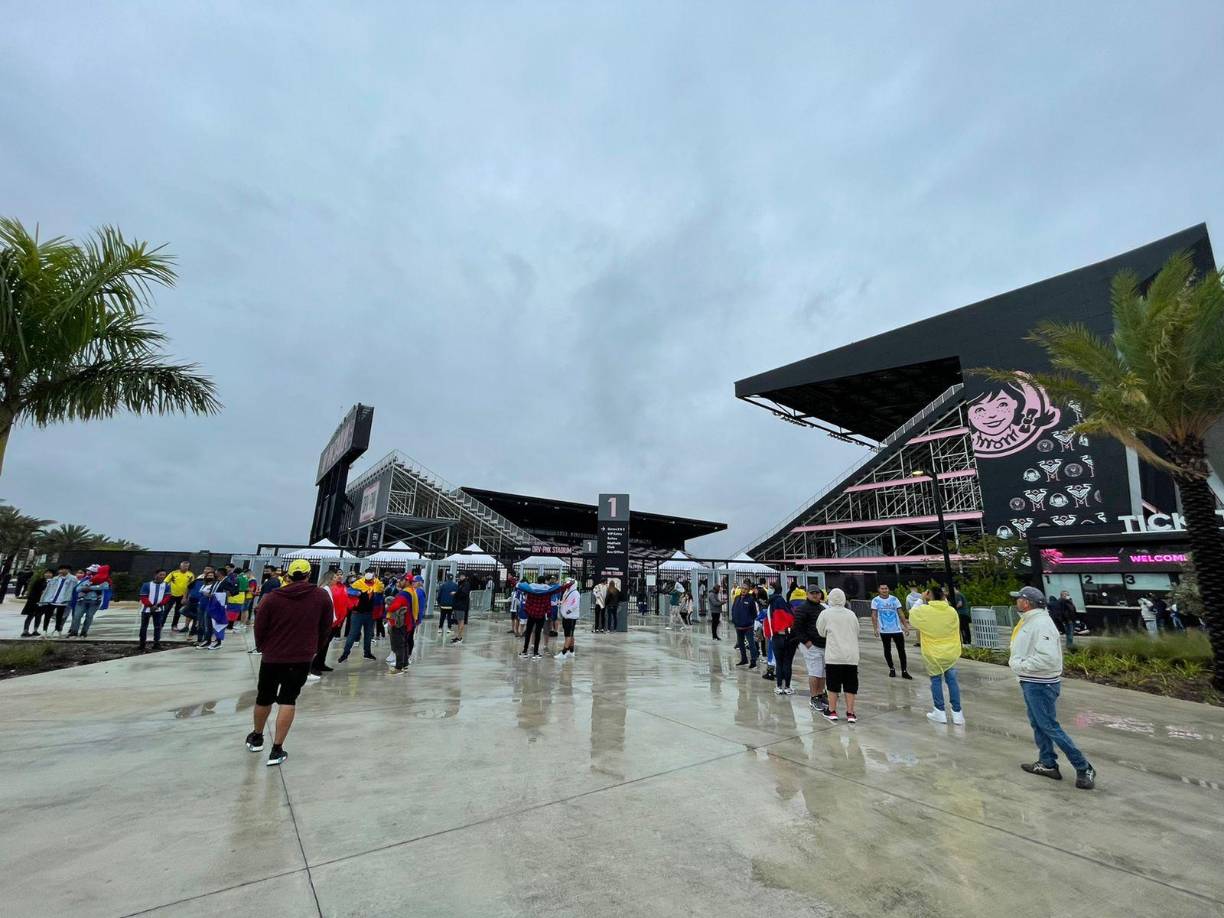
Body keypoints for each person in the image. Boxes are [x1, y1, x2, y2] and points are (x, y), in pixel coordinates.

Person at [245, 558, 333, 765]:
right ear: (309, 575)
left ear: (288, 576)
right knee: (288, 700)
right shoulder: (320, 596)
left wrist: (263, 646)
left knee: (264, 697)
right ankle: (277, 749)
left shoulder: (273, 597)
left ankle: (257, 736)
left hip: (273, 656)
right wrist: (314, 648)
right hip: (301, 656)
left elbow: (260, 626)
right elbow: (325, 627)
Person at [1009, 585, 1096, 789]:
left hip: (1040, 683)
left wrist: (1020, 665)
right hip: (1032, 681)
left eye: (1018, 598)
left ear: (1026, 603)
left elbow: (1048, 658)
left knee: (1048, 726)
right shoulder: (1030, 621)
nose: (1016, 601)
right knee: (1039, 724)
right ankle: (1047, 763)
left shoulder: (1041, 623)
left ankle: (1083, 767)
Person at [908, 586, 964, 725]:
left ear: (929, 595)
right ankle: (957, 713)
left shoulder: (925, 610)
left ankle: (940, 712)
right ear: (943, 596)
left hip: (933, 652)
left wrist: (921, 599)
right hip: (950, 651)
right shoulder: (951, 611)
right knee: (952, 680)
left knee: (936, 680)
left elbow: (912, 616)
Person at [816, 588, 859, 723]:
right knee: (850, 685)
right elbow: (857, 631)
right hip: (851, 656)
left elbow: (821, 632)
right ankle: (850, 713)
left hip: (834, 655)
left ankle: (832, 710)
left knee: (833, 684)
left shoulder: (825, 614)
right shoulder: (851, 614)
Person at [792, 587, 829, 714]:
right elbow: (797, 627)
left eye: (817, 593)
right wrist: (806, 642)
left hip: (823, 644)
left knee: (823, 672)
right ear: (807, 594)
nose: (815, 595)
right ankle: (814, 697)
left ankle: (820, 694)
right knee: (815, 672)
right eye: (812, 593)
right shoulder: (802, 608)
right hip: (811, 645)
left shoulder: (822, 609)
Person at [339, 570, 382, 663]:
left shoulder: (377, 584)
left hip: (369, 614)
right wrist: (357, 593)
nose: (369, 581)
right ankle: (345, 654)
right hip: (357, 614)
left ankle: (367, 653)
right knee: (352, 634)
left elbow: (381, 590)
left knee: (368, 635)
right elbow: (348, 591)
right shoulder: (358, 584)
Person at [870, 583, 911, 679]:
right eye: (882, 589)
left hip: (897, 630)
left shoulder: (894, 599)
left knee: (901, 650)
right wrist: (875, 629)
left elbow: (901, 613)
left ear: (888, 589)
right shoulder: (875, 601)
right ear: (879, 590)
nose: (884, 590)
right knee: (887, 650)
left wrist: (906, 626)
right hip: (884, 630)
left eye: (886, 588)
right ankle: (891, 669)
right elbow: (874, 615)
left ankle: (904, 671)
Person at [384, 575, 422, 673]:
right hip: (409, 622)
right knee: (404, 643)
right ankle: (404, 664)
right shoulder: (412, 591)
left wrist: (388, 607)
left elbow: (394, 606)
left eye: (401, 580)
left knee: (399, 645)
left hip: (400, 622)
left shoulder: (404, 593)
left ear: (406, 581)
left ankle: (398, 668)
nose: (399, 582)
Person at [518, 579, 562, 659]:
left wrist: (528, 611)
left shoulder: (531, 591)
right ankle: (535, 653)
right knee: (538, 634)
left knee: (528, 632)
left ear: (537, 581)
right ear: (543, 582)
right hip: (541, 616)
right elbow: (548, 605)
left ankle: (524, 651)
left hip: (531, 615)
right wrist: (548, 613)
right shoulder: (546, 593)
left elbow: (527, 603)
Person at [766, 584, 797, 695]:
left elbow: (768, 621)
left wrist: (770, 635)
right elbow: (791, 618)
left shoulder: (771, 604)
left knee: (779, 663)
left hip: (776, 636)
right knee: (787, 662)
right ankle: (787, 687)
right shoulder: (784, 603)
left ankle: (779, 686)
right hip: (788, 636)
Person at [68, 564, 110, 638]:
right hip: (82, 600)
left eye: (90, 570)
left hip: (95, 601)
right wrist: (93, 587)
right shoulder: (86, 579)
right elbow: (78, 589)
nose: (88, 571)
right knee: (77, 616)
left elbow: (104, 587)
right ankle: (74, 632)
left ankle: (84, 633)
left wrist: (89, 588)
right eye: (88, 570)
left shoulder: (104, 579)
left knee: (89, 617)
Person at [138, 569, 175, 651]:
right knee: (144, 626)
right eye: (161, 574)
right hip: (146, 609)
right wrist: (150, 605)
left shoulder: (166, 585)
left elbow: (167, 597)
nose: (162, 576)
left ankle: (156, 643)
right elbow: (143, 597)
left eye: (164, 575)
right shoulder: (146, 585)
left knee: (158, 626)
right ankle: (142, 644)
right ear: (156, 575)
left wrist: (159, 605)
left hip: (159, 609)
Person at [196, 569, 229, 649]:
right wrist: (209, 594)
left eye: (216, 573)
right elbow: (212, 591)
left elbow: (231, 592)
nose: (214, 574)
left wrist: (217, 596)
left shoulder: (226, 582)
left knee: (217, 624)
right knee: (207, 623)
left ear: (220, 573)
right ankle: (207, 640)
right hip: (211, 604)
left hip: (219, 605)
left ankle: (218, 641)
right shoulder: (216, 582)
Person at [731, 582, 759, 669]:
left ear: (748, 590)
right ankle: (744, 659)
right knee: (740, 643)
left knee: (751, 644)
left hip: (748, 626)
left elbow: (754, 613)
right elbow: (733, 609)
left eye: (746, 589)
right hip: (738, 626)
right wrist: (734, 620)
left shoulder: (750, 599)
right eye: (742, 588)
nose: (743, 590)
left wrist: (749, 621)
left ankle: (753, 661)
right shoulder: (737, 598)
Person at [165, 561, 196, 633]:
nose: (185, 567)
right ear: (180, 566)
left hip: (182, 596)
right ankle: (161, 624)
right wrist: (166, 593)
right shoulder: (173, 573)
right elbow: (165, 582)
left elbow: (191, 587)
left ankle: (174, 625)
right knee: (166, 610)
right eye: (183, 566)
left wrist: (186, 597)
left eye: (187, 566)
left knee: (178, 612)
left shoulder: (191, 574)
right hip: (171, 595)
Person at [20, 569, 52, 637]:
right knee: (30, 615)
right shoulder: (39, 581)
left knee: (38, 616)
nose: (48, 574)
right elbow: (36, 590)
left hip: (43, 602)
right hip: (34, 601)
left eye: (50, 573)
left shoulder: (52, 582)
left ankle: (35, 630)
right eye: (46, 573)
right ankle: (25, 631)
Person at [557, 579, 580, 661]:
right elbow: (566, 601)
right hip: (566, 616)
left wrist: (568, 611)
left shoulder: (575, 593)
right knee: (570, 634)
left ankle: (564, 652)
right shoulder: (567, 591)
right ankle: (571, 650)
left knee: (568, 635)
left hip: (570, 616)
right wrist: (560, 603)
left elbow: (575, 604)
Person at [451, 574, 472, 645]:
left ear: (464, 576)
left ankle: (459, 638)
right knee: (459, 621)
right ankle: (458, 636)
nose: (459, 578)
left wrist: (455, 593)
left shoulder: (466, 584)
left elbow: (463, 593)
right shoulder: (461, 584)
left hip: (461, 605)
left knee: (461, 621)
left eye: (460, 576)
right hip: (458, 605)